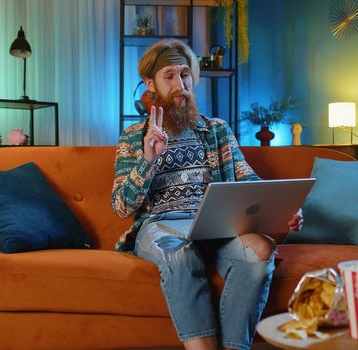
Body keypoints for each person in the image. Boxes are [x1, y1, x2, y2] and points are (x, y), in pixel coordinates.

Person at [111, 40, 303, 350]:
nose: (180, 84)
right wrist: (147, 159)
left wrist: (284, 207)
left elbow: (247, 178)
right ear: (151, 84)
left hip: (216, 224)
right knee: (180, 252)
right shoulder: (134, 137)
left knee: (261, 250)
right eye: (169, 76)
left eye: (185, 74)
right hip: (162, 226)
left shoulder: (216, 129)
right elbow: (121, 206)